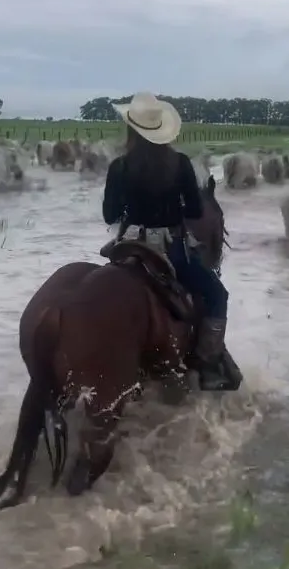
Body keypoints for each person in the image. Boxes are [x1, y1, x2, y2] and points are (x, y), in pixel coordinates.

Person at [102, 91, 242, 392]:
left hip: (128, 246)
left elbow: (109, 215)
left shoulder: (119, 167)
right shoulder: (178, 164)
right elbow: (193, 209)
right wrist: (170, 206)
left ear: (131, 128)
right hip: (170, 248)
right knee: (217, 295)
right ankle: (207, 364)